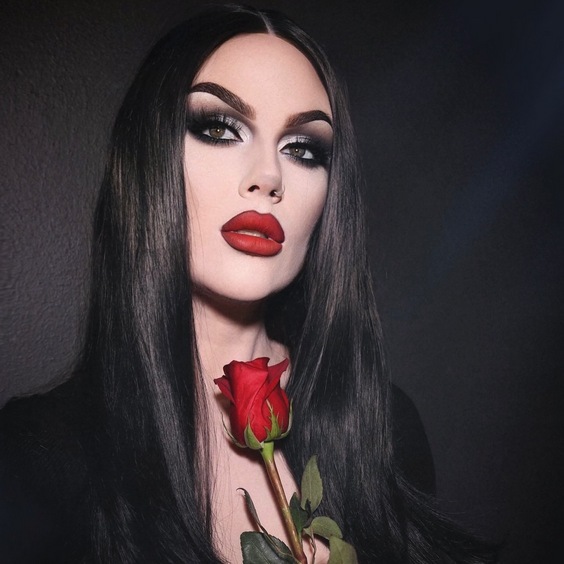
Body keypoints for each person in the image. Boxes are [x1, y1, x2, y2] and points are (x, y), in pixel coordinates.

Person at [0, 4, 496, 563]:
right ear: (149, 158)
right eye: (219, 128)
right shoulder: (37, 460)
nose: (268, 176)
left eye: (303, 149)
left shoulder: (383, 429)